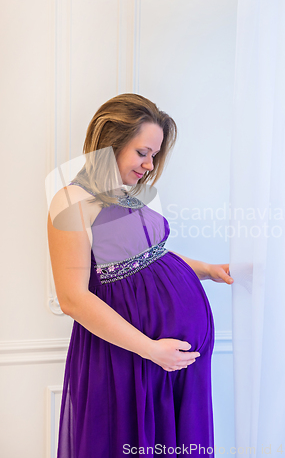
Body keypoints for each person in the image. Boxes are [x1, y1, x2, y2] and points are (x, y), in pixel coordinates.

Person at [47, 93, 234, 458]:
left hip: (170, 363)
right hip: (130, 357)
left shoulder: (127, 195)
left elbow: (153, 257)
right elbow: (72, 297)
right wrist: (150, 350)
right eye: (142, 152)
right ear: (109, 144)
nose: (149, 165)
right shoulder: (72, 201)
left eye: (154, 155)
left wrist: (207, 270)